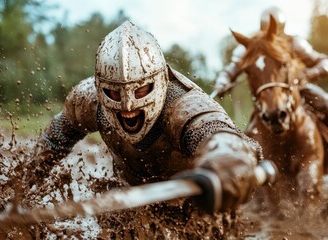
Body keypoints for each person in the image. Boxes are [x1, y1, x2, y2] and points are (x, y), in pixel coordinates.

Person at [24, 20, 266, 213]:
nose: (128, 106)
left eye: (140, 91)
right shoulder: (87, 100)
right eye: (114, 93)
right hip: (130, 198)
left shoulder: (185, 106)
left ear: (160, 81)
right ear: (100, 88)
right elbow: (54, 140)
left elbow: (221, 136)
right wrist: (24, 185)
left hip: (193, 202)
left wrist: (226, 162)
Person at [213, 6, 328, 186]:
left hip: (300, 89)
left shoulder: (294, 43)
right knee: (249, 135)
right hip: (267, 99)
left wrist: (310, 74)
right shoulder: (251, 46)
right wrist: (222, 83)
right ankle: (246, 180)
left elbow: (326, 63)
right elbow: (230, 70)